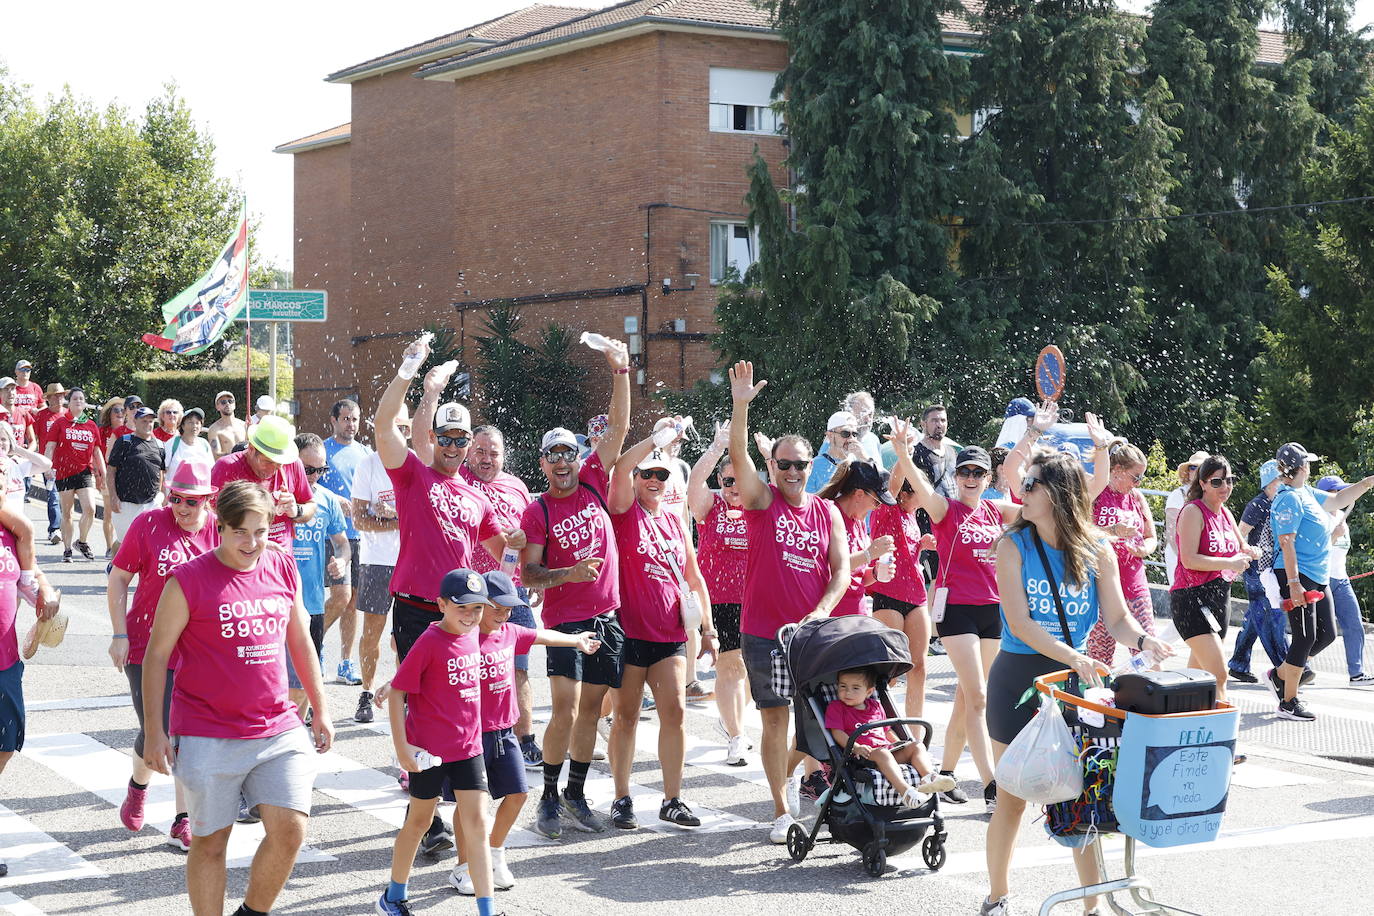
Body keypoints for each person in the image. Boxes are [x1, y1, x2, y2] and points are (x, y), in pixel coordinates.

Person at [981, 449, 1174, 916]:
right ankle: (997, 897)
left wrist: (1146, 640)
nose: (1021, 492)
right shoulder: (1013, 545)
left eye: (1031, 485)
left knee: (1080, 796)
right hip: (1019, 680)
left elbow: (1118, 617)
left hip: (1072, 682)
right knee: (1011, 798)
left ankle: (1090, 906)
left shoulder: (1098, 549)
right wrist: (1075, 657)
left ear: (1057, 493)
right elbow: (1021, 623)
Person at [142, 480, 333, 916]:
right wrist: (154, 731)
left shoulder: (282, 567)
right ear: (220, 527)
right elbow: (156, 657)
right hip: (208, 730)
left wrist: (321, 708)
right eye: (240, 532)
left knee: (290, 830)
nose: (252, 543)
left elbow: (300, 640)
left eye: (260, 531)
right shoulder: (188, 581)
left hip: (277, 725)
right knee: (211, 843)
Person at [373, 339, 516, 851]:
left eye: (462, 440)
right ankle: (424, 810)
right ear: (433, 438)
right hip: (415, 610)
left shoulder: (476, 496)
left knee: (451, 701)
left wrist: (516, 589)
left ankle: (446, 797)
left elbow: (504, 549)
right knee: (417, 705)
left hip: (461, 615)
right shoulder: (414, 474)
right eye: (447, 439)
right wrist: (411, 373)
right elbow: (384, 425)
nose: (454, 448)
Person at [727, 361, 849, 844]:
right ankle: (781, 811)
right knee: (775, 719)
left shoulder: (825, 511)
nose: (795, 471)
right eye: (785, 464)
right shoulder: (761, 500)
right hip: (763, 632)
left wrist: (822, 610)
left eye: (801, 464)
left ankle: (794, 779)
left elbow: (841, 570)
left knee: (817, 720)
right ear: (773, 467)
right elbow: (738, 456)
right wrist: (740, 407)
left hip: (812, 635)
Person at [519, 337, 631, 840]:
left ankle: (576, 792)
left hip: (607, 616)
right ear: (543, 463)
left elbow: (620, 428)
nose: (562, 463)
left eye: (569, 453)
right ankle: (546, 796)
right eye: (553, 456)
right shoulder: (537, 509)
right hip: (566, 622)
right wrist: (569, 575)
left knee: (592, 709)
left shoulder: (591, 482)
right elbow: (530, 575)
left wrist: (620, 371)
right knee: (563, 708)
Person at [892, 418, 1018, 811]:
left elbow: (1046, 504)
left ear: (987, 477)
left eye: (978, 472)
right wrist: (902, 451)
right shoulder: (945, 508)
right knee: (980, 695)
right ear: (956, 475)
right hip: (957, 612)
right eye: (964, 471)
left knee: (967, 697)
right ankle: (992, 783)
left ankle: (945, 773)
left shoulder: (997, 511)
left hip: (992, 610)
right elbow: (924, 487)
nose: (970, 477)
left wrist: (1035, 437)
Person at [449, 570, 600, 895]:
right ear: (477, 605)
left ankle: (492, 853)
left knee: (518, 793)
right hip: (469, 736)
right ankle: (463, 867)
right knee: (469, 805)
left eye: (507, 609)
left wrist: (576, 640)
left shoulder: (510, 631)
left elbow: (543, 635)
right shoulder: (462, 637)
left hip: (505, 733)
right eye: (495, 607)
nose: (502, 615)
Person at [106, 459, 219, 851]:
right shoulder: (149, 524)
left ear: (208, 500)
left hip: (198, 649)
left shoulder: (219, 530)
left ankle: (182, 820)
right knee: (156, 732)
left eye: (191, 501)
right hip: (146, 645)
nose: (182, 508)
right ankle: (139, 785)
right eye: (176, 498)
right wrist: (119, 633)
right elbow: (119, 577)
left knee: (187, 734)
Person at [605, 436, 715, 830]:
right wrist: (655, 438)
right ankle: (621, 797)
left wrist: (709, 628)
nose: (654, 480)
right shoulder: (621, 510)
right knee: (626, 717)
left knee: (676, 713)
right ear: (635, 477)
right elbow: (617, 466)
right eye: (647, 473)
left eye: (661, 475)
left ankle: (672, 798)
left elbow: (693, 575)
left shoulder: (672, 519)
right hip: (629, 632)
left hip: (669, 632)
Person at [379, 568, 493, 916]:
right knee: (419, 822)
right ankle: (394, 896)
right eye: (462, 607)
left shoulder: (474, 633)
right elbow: (398, 693)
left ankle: (488, 910)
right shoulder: (429, 641)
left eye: (477, 608)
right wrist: (403, 750)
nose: (470, 616)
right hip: (428, 752)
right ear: (441, 604)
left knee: (476, 824)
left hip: (469, 748)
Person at [1268, 442, 1374, 720]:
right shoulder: (1289, 497)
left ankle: (1281, 675)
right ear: (1303, 466)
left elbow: (1338, 500)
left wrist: (1366, 482)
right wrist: (1293, 584)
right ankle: (1288, 701)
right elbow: (1286, 543)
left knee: (1326, 634)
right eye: (1309, 464)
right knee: (1304, 638)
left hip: (1317, 574)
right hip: (1297, 575)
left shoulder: (1306, 492)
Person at [459, 424, 540, 767]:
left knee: (518, 666)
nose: (486, 459)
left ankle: (526, 739)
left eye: (493, 453)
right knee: (468, 668)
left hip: (513, 589)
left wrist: (533, 574)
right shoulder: (457, 481)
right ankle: (470, 736)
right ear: (468, 451)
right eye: (479, 451)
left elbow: (533, 535)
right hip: (470, 589)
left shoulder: (517, 487)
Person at [687, 420, 753, 766]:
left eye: (740, 481)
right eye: (728, 481)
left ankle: (733, 726)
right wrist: (717, 448)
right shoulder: (711, 506)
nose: (734, 488)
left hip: (755, 598)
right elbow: (693, 483)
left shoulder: (759, 508)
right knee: (730, 667)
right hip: (719, 600)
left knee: (742, 672)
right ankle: (738, 735)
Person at [0, 505, 59, 878]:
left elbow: (28, 578)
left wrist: (47, 591)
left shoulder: (12, 532)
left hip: (5, 663)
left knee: (6, 746)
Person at [1170, 454, 1254, 708]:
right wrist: (1230, 563)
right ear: (1203, 483)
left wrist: (1251, 551)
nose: (1225, 487)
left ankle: (1182, 720)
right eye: (1217, 482)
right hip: (1191, 598)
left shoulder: (1226, 513)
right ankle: (1221, 736)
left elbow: (1241, 546)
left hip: (1219, 597)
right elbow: (1189, 560)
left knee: (1194, 677)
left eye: (1229, 481)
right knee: (1218, 675)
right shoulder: (1194, 511)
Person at [349, 405, 411, 724]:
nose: (397, 435)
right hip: (376, 561)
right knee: (371, 633)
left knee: (406, 633)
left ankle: (403, 693)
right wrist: (393, 520)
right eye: (391, 428)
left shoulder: (416, 465)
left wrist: (395, 515)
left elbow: (422, 517)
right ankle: (365, 690)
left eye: (403, 429)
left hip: (410, 560)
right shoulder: (368, 465)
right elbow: (359, 519)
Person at [868, 445, 936, 721]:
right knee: (890, 672)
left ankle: (916, 736)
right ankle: (882, 729)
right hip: (888, 594)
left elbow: (906, 552)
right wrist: (902, 453)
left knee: (919, 668)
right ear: (907, 493)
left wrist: (921, 545)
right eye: (921, 486)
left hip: (916, 594)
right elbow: (894, 483)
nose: (927, 491)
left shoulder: (912, 517)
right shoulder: (888, 509)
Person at [827, 667, 955, 806]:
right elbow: (837, 732)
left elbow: (886, 731)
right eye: (843, 686)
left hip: (886, 752)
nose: (847, 692)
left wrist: (899, 744)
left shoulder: (875, 706)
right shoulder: (836, 707)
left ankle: (929, 777)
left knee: (917, 746)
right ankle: (906, 792)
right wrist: (856, 747)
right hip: (862, 757)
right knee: (883, 753)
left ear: (869, 692)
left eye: (855, 688)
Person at [287, 435, 350, 719]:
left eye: (320, 470)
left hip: (311, 603)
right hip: (277, 602)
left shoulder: (326, 500)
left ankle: (293, 731)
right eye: (307, 469)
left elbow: (342, 542)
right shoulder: (281, 499)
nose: (314, 476)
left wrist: (343, 561)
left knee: (302, 683)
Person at [1085, 442, 1158, 668]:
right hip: (1100, 585)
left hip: (1135, 583)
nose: (1138, 483)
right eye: (1135, 477)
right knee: (1100, 659)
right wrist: (1112, 531)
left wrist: (1144, 549)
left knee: (1148, 652)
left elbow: (1151, 537)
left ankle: (1147, 698)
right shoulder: (1096, 492)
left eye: (1141, 478)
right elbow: (1081, 531)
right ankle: (1098, 701)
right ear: (1116, 470)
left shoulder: (1136, 497)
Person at [1227, 460, 1292, 684]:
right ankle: (1287, 667)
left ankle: (1238, 663)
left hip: (1272, 569)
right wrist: (1237, 560)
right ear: (1272, 482)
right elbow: (1240, 532)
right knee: (1272, 615)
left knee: (1257, 617)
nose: (1285, 483)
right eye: (1281, 479)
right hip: (1256, 569)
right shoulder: (1259, 504)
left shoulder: (1281, 503)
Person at [321, 398, 370, 688]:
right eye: (345, 419)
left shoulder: (366, 453)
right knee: (338, 597)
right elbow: (307, 484)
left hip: (359, 535)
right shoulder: (322, 451)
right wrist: (333, 499)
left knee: (351, 603)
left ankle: (345, 662)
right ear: (334, 421)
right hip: (328, 535)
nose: (351, 424)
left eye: (355, 419)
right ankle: (314, 644)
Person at [210, 415, 316, 548]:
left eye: (280, 463)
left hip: (280, 560)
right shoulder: (226, 467)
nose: (275, 468)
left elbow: (311, 505)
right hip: (240, 560)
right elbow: (210, 518)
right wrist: (259, 543)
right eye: (268, 462)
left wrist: (297, 510)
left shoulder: (293, 464)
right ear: (251, 449)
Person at [1317, 475, 1374, 685]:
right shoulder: (1317, 516)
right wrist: (1333, 535)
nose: (1342, 494)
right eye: (1337, 491)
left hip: (1341, 579)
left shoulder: (1342, 516)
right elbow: (1315, 549)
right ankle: (1297, 667)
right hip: (1321, 578)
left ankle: (1356, 673)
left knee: (1354, 624)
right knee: (1318, 630)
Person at [44, 387, 107, 562]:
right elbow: (50, 446)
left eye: (81, 398)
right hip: (64, 472)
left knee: (90, 509)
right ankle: (67, 549)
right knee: (68, 513)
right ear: (68, 403)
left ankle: (82, 541)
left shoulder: (91, 425)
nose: (78, 401)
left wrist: (103, 472)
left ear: (85, 403)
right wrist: (47, 467)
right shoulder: (60, 423)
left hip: (84, 472)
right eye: (75, 399)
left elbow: (97, 452)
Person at [105, 407, 165, 556]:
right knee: (123, 542)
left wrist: (162, 494)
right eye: (144, 421)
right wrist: (113, 496)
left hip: (151, 503)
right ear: (135, 421)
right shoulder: (124, 442)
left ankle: (143, 574)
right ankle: (113, 566)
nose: (148, 424)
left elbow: (161, 471)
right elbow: (111, 471)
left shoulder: (160, 445)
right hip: (126, 502)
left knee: (149, 541)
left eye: (151, 421)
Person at [1164, 450, 1208, 587]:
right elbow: (1171, 534)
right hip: (1179, 557)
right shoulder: (1178, 495)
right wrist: (1186, 561)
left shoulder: (1209, 497)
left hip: (1201, 559)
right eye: (1192, 467)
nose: (1195, 471)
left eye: (1200, 468)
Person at [33, 383, 68, 543]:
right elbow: (35, 436)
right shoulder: (42, 416)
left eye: (61, 395)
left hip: (67, 463)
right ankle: (54, 529)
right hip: (48, 463)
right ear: (49, 398)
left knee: (63, 497)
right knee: (53, 495)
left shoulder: (68, 415)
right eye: (56, 396)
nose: (59, 398)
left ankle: (64, 527)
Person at [805, 409, 866, 495]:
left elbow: (880, 486)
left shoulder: (860, 463)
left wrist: (864, 458)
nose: (851, 438)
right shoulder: (814, 466)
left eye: (854, 434)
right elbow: (807, 502)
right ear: (830, 435)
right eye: (845, 433)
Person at [0, 420, 50, 511]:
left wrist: (17, 450)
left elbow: (46, 464)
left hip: (17, 524)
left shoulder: (16, 464)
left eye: (3, 439)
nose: (0, 443)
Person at [163, 407, 212, 483]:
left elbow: (211, 469)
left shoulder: (204, 444)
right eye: (190, 422)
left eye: (197, 423)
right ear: (182, 425)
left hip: (199, 493)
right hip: (175, 493)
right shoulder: (172, 444)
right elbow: (162, 471)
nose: (194, 426)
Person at [843, 391, 884, 464]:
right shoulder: (837, 439)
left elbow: (881, 474)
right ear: (849, 413)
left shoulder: (873, 439)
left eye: (870, 414)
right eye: (864, 413)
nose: (868, 419)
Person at [207, 391, 248, 458]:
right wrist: (236, 456)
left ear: (234, 404)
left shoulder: (244, 425)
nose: (227, 404)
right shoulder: (214, 429)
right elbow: (216, 455)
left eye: (230, 401)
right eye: (223, 402)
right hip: (227, 466)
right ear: (217, 407)